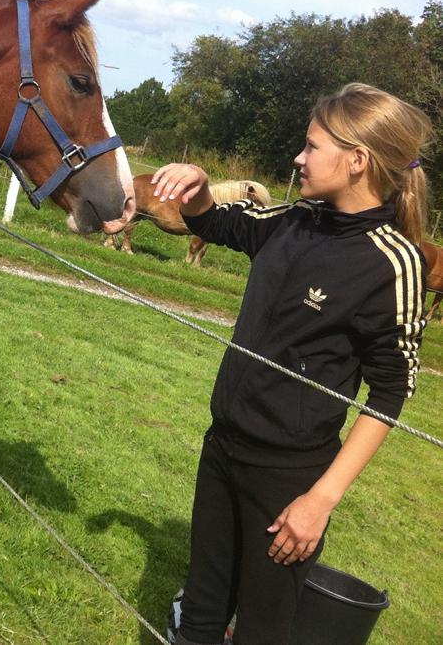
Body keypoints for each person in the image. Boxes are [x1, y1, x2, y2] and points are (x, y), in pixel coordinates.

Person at [152, 83, 432, 645]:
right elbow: (221, 224)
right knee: (201, 618)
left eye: (311, 147)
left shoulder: (393, 263)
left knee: (261, 632)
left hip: (287, 482)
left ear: (357, 161)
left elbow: (389, 395)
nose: (298, 159)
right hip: (222, 449)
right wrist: (200, 190)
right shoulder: (299, 217)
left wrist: (318, 502)